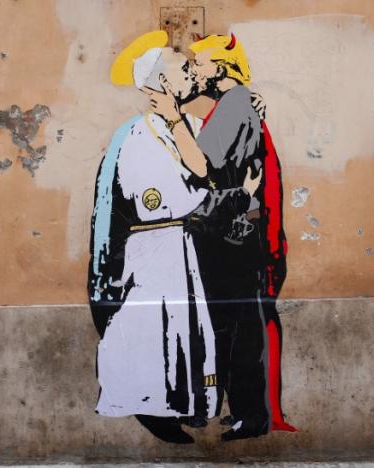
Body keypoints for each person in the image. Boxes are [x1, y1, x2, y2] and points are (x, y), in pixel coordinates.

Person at [88, 30, 262, 444]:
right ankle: (156, 415)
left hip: (180, 252)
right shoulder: (138, 136)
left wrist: (248, 105)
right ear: (163, 83)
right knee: (156, 338)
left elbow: (209, 163)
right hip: (153, 254)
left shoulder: (186, 125)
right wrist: (241, 196)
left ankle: (181, 407)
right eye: (184, 68)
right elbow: (175, 201)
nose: (192, 74)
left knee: (183, 337)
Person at [153, 33, 295, 440]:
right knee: (236, 328)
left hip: (231, 238)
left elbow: (199, 166)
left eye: (200, 64)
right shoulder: (234, 105)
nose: (195, 71)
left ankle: (242, 414)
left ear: (220, 68)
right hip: (237, 233)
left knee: (232, 330)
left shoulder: (234, 105)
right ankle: (243, 412)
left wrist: (173, 120)